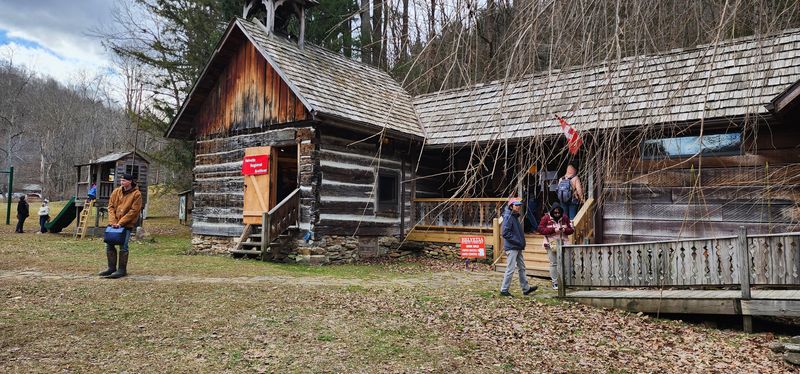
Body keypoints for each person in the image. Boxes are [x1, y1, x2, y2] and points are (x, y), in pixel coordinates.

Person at [99, 173, 143, 279]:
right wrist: (113, 221)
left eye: (124, 180)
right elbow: (110, 206)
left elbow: (134, 211)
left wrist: (121, 223)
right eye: (121, 180)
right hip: (113, 224)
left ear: (130, 181)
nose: (122, 182)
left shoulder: (137, 194)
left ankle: (122, 270)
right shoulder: (116, 191)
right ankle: (111, 268)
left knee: (123, 246)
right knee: (109, 244)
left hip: (126, 224)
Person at [499, 198, 538, 297]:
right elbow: (505, 233)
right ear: (511, 206)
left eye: (519, 205)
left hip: (517, 246)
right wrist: (517, 241)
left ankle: (526, 288)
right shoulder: (508, 216)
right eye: (516, 205)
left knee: (522, 267)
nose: (518, 207)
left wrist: (519, 243)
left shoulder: (514, 216)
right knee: (510, 269)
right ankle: (504, 290)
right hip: (512, 247)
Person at [538, 202, 574, 290]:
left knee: (566, 262)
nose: (557, 214)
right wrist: (554, 230)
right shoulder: (546, 218)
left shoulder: (565, 217)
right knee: (553, 263)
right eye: (555, 213)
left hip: (563, 242)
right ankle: (555, 282)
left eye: (559, 213)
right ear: (552, 212)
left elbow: (571, 230)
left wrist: (565, 229)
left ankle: (566, 281)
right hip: (550, 243)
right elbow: (540, 229)